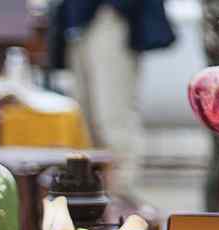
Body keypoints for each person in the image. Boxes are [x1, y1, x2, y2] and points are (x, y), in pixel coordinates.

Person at [50, 0, 174, 198]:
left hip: (109, 15)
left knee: (112, 117)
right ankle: (93, 197)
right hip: (77, 19)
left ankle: (121, 197)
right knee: (84, 122)